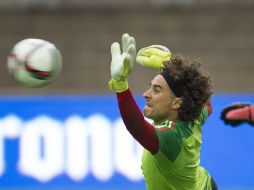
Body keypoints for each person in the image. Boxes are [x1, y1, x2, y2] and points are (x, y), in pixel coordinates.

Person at [109, 33, 217, 190]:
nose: (146, 94)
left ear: (176, 102)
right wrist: (173, 67)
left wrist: (120, 85)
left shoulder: (171, 138)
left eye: (156, 90)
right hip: (205, 184)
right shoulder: (193, 116)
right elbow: (206, 102)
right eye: (150, 86)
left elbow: (138, 128)